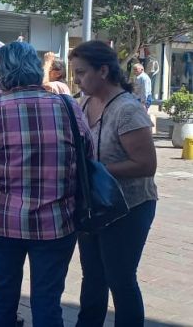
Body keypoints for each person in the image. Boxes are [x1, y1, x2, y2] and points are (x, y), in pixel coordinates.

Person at [0, 41, 93, 327]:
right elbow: (88, 156)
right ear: (36, 70)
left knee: (2, 298)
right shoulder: (68, 106)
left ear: (1, 74)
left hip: (1, 222)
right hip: (57, 223)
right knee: (48, 301)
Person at [70, 40, 158, 327]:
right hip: (94, 204)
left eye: (82, 72)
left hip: (129, 207)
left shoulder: (128, 110)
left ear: (103, 71)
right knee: (92, 275)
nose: (77, 79)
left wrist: (96, 170)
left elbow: (146, 165)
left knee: (120, 278)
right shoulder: (84, 103)